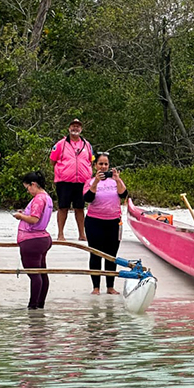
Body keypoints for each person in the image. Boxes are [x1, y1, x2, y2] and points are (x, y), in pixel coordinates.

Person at [83, 153, 128, 295]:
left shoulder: (115, 181)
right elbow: (88, 198)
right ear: (95, 165)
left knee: (111, 255)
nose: (103, 167)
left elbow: (123, 194)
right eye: (100, 164)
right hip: (94, 221)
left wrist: (118, 180)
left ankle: (110, 286)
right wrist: (96, 182)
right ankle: (96, 287)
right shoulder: (90, 181)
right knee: (95, 254)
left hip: (113, 222)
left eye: (106, 164)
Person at [13, 170, 53, 310]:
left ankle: (33, 306)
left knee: (34, 275)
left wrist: (20, 216)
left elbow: (34, 219)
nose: (28, 191)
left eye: (28, 187)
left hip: (32, 240)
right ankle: (40, 304)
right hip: (42, 238)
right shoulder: (47, 197)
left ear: (33, 184)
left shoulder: (38, 199)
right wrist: (24, 214)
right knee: (41, 272)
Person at [50, 118, 94, 241]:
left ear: (81, 129)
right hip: (64, 181)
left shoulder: (87, 144)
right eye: (73, 126)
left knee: (80, 208)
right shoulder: (61, 144)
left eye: (78, 126)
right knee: (63, 207)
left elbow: (91, 160)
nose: (75, 128)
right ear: (69, 128)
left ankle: (82, 234)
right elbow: (52, 160)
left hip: (82, 182)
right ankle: (60, 234)